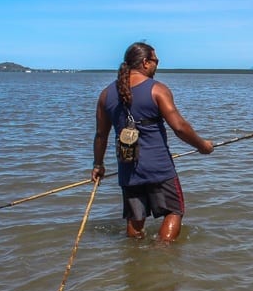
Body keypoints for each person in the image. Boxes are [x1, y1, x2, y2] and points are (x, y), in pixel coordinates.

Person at [91, 42, 214, 242]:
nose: (157, 65)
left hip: (127, 168)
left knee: (135, 218)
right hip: (158, 168)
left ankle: (136, 258)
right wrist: (203, 146)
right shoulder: (157, 89)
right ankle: (162, 255)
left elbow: (100, 135)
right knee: (174, 211)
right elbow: (180, 127)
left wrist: (98, 165)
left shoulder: (106, 94)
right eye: (156, 61)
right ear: (146, 63)